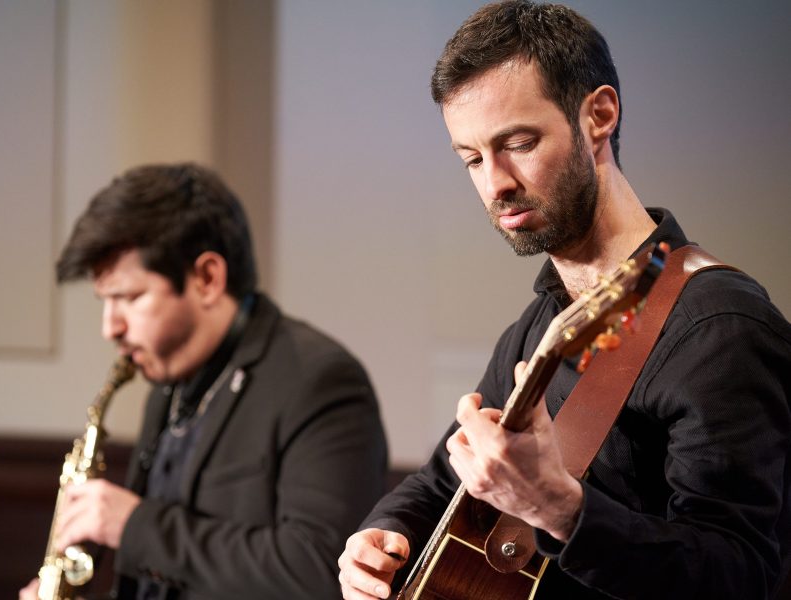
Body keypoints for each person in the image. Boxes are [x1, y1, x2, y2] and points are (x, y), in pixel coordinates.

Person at [338, 1, 791, 598]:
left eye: (518, 143)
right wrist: (380, 535)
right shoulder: (540, 325)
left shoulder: (720, 327)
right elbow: (441, 482)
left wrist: (559, 509)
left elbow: (741, 575)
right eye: (472, 159)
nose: (495, 183)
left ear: (599, 115)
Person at [19, 163, 388, 599]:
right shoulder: (167, 386)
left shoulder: (320, 379)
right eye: (105, 301)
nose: (110, 327)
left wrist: (137, 527)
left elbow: (319, 567)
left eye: (129, 298)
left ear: (207, 278)